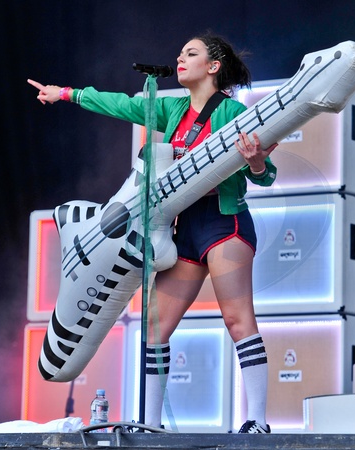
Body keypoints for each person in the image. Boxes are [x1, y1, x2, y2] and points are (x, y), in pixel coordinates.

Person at [28, 32, 278, 434]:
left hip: (223, 221)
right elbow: (121, 104)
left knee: (237, 319)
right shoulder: (173, 109)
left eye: (191, 53)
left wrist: (257, 163)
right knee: (155, 326)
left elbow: (266, 176)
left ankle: (259, 422)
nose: (180, 58)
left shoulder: (232, 111)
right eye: (179, 53)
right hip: (184, 227)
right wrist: (67, 94)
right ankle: (151, 424)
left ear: (213, 66)